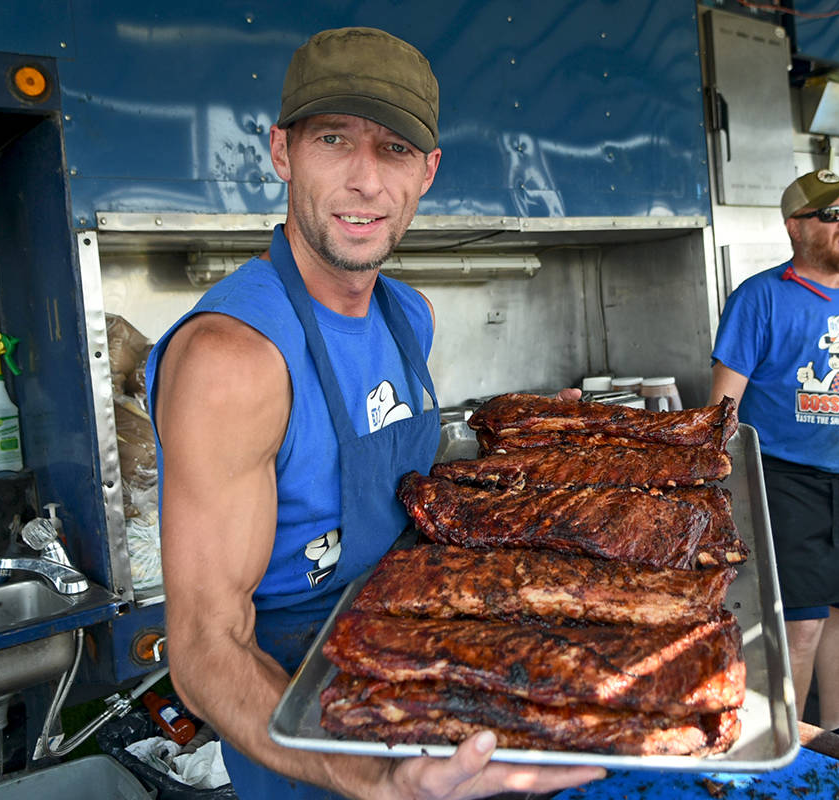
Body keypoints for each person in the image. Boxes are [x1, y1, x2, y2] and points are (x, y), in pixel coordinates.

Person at [144, 26, 601, 800]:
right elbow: (203, 647)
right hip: (304, 725)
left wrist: (524, 460)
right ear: (282, 153)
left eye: (392, 150)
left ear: (427, 173)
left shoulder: (407, 316)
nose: (365, 181)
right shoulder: (234, 360)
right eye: (333, 140)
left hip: (426, 667)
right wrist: (372, 775)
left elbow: (396, 488)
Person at [709, 169, 839, 738]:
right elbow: (722, 407)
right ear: (796, 227)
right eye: (831, 214)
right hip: (782, 481)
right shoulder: (760, 298)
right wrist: (722, 484)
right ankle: (790, 742)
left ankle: (838, 733)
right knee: (800, 624)